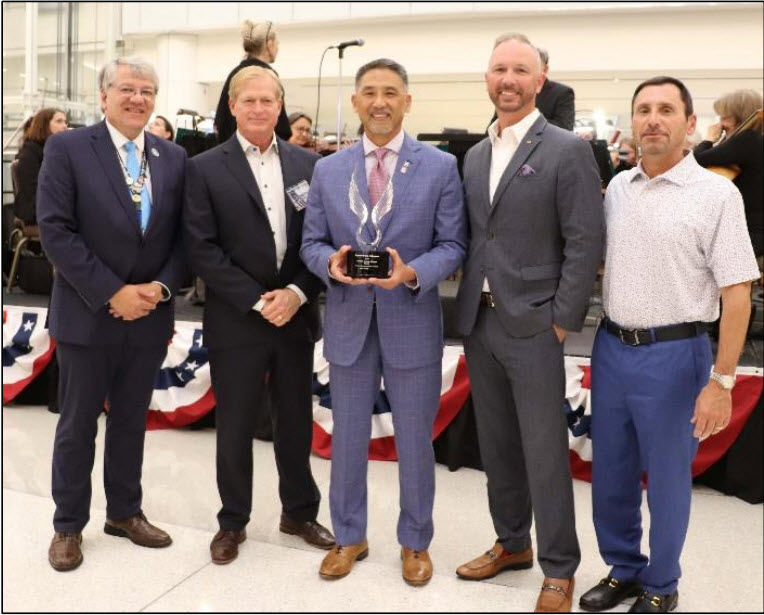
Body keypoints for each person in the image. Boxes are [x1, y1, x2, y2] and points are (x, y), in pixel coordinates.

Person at [579, 77, 759, 614]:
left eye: (666, 110)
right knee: (609, 471)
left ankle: (662, 583)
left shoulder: (717, 195)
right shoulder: (618, 191)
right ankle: (623, 569)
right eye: (643, 110)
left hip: (676, 356)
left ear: (689, 123)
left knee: (666, 481)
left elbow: (737, 292)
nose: (653, 119)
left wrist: (721, 381)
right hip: (611, 349)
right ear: (631, 123)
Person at [301, 58, 467, 586]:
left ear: (407, 101)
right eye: (369, 92)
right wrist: (329, 263)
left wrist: (412, 272)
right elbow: (311, 243)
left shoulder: (440, 168)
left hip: (411, 321)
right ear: (355, 102)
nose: (380, 101)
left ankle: (415, 543)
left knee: (415, 440)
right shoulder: (328, 169)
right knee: (347, 437)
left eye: (391, 92)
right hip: (350, 324)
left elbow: (454, 245)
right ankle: (349, 536)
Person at [454, 33, 602, 613]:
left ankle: (559, 568)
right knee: (498, 446)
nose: (508, 79)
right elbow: (475, 235)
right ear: (487, 79)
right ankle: (512, 543)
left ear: (541, 79)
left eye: (521, 70)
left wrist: (562, 320)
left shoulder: (567, 149)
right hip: (480, 322)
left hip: (537, 324)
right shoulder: (473, 154)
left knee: (544, 451)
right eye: (498, 69)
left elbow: (586, 240)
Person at [37, 57, 187, 572]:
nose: (137, 98)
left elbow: (180, 239)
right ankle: (67, 526)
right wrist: (111, 293)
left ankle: (124, 512)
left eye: (147, 90)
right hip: (87, 315)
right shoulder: (69, 148)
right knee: (78, 425)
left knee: (130, 422)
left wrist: (160, 289)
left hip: (149, 316)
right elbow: (56, 231)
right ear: (103, 96)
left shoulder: (173, 157)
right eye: (127, 88)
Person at [184, 65, 335, 565]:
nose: (257, 108)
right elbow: (201, 248)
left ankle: (299, 511)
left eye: (267, 100)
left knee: (294, 418)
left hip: (295, 314)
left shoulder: (310, 166)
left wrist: (295, 291)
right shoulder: (204, 168)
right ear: (232, 106)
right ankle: (233, 521)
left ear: (280, 105)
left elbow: (321, 243)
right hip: (237, 318)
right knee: (235, 423)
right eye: (247, 100)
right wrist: (256, 299)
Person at [694, 89, 763, 257]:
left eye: (724, 117)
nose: (721, 123)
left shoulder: (747, 139)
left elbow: (697, 161)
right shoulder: (755, 139)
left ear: (739, 116)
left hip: (750, 233)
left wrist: (708, 139)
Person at [215, 20, 291, 143]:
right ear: (270, 44)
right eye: (277, 44)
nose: (258, 109)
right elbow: (282, 128)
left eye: (265, 101)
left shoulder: (235, 73)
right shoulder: (268, 77)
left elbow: (221, 122)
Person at [488, 46, 575, 132]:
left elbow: (564, 127)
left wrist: (522, 120)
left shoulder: (562, 93)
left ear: (545, 69)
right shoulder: (511, 92)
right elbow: (494, 126)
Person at [12, 108, 68, 225]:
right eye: (59, 121)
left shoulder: (54, 150)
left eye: (65, 122)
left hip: (53, 207)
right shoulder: (30, 153)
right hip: (39, 212)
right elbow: (34, 192)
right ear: (44, 125)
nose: (65, 126)